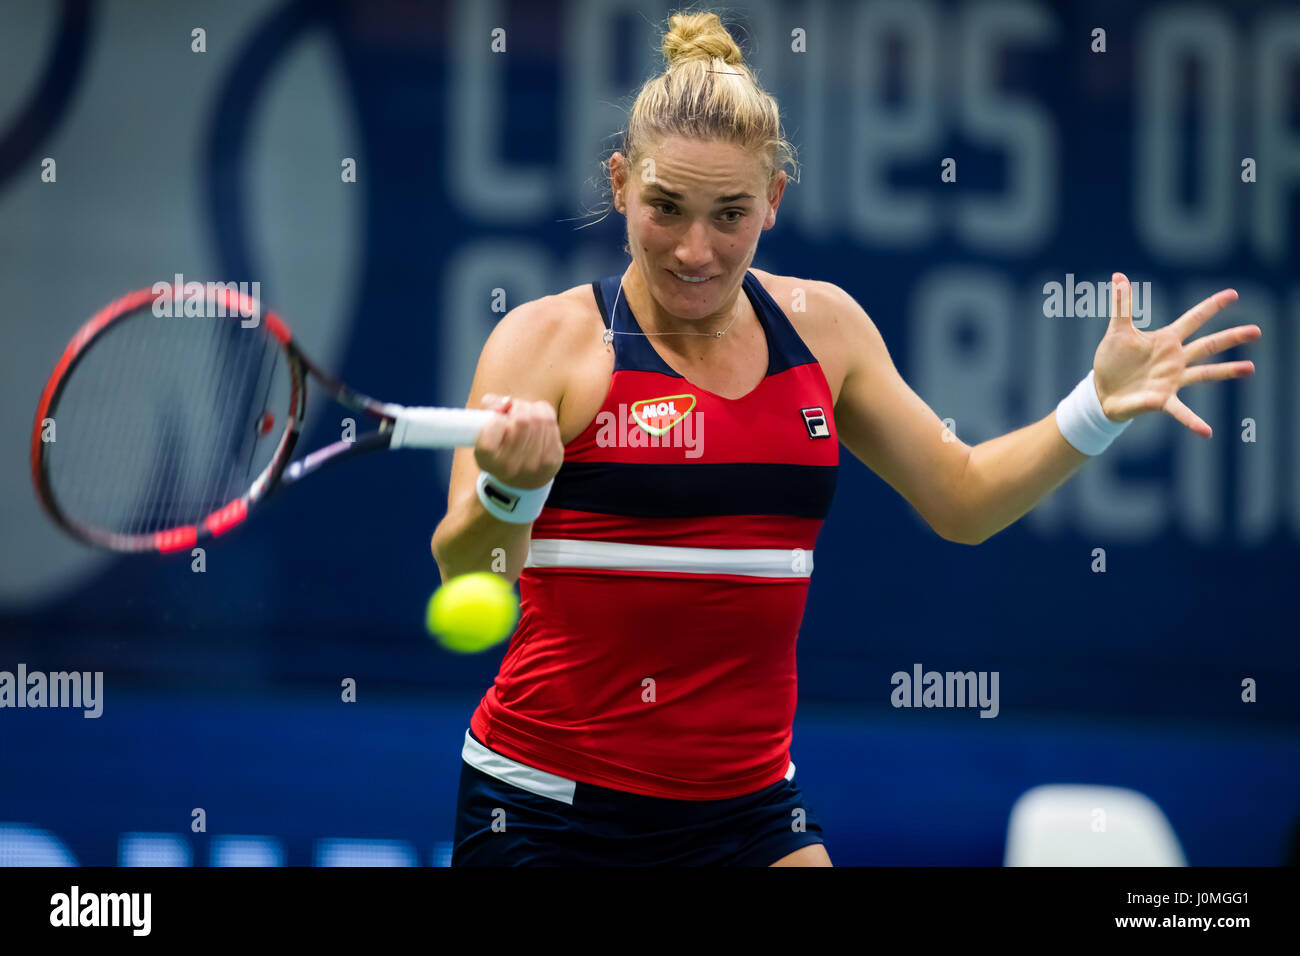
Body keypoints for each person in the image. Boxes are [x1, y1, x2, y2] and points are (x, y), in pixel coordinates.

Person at [432, 10, 1259, 867]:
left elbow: (963, 499)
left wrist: (1097, 405)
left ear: (774, 202)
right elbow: (466, 572)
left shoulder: (825, 332)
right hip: (547, 805)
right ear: (618, 183)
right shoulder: (546, 342)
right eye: (665, 208)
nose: (694, 249)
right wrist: (511, 490)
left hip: (748, 812)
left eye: (730, 214)